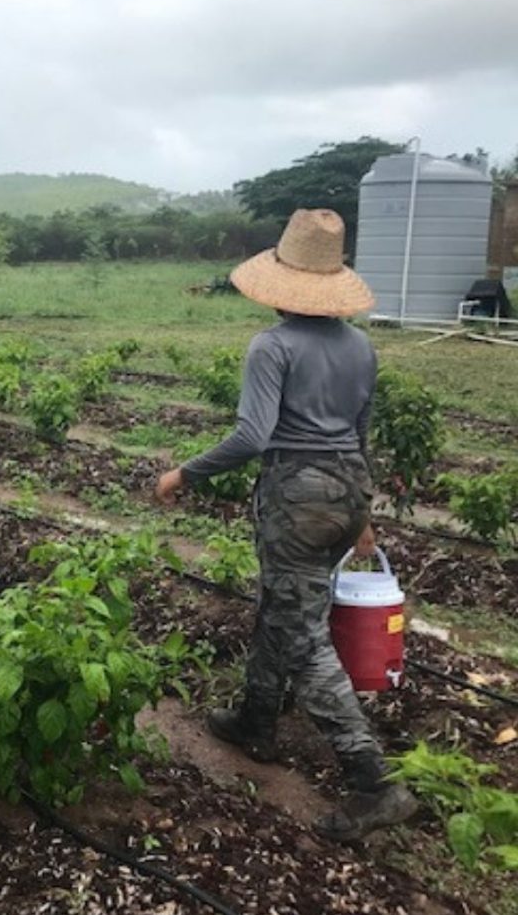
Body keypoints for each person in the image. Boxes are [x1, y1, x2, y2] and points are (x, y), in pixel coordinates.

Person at [155, 208, 417, 841]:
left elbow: (252, 435)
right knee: (284, 604)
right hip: (346, 493)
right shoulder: (361, 347)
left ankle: (373, 783)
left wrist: (185, 473)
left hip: (299, 498)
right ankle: (254, 720)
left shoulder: (271, 346)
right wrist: (364, 520)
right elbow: (358, 436)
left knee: (302, 634)